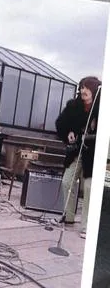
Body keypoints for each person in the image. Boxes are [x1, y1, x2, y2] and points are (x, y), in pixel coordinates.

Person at [55, 76, 101, 239]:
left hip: (94, 156)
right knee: (67, 181)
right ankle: (68, 217)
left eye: (87, 88)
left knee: (89, 188)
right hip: (77, 152)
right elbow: (61, 123)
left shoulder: (103, 107)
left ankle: (87, 225)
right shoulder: (74, 106)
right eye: (81, 87)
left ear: (95, 90)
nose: (83, 90)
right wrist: (68, 133)